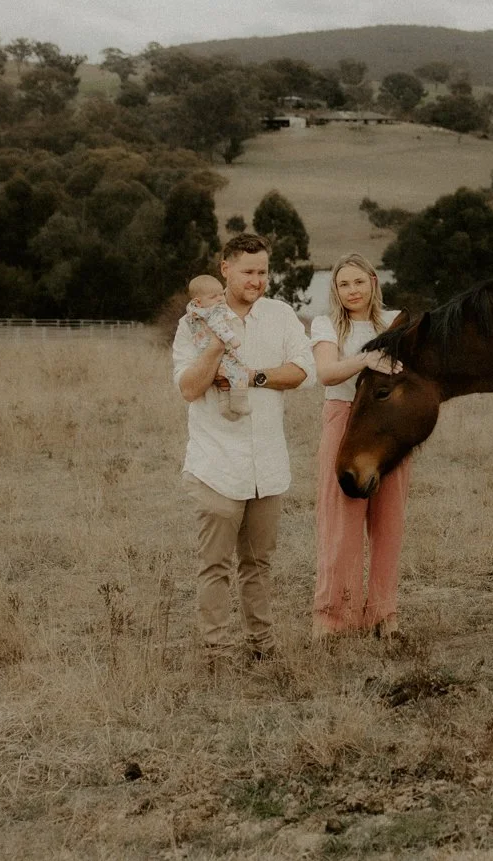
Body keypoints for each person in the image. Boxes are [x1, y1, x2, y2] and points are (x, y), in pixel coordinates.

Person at [171, 234, 315, 665]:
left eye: (263, 272)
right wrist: (217, 342)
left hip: (267, 465)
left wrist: (252, 376)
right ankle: (215, 649)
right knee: (214, 564)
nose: (257, 280)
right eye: (248, 272)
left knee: (258, 563)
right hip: (216, 463)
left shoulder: (281, 315)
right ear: (225, 268)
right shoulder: (192, 323)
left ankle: (262, 646)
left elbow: (305, 372)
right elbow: (189, 389)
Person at [308, 254, 407, 637]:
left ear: (373, 281)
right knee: (341, 521)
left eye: (358, 282)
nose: (352, 291)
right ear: (335, 289)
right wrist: (369, 359)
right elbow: (326, 372)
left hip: (388, 426)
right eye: (343, 284)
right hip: (344, 420)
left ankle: (384, 614)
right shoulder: (327, 324)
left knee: (389, 521)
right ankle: (332, 617)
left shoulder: (396, 321)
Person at [183, 273, 251, 419]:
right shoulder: (215, 311)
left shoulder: (192, 312)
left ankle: (224, 405)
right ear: (198, 301)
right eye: (214, 296)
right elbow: (218, 327)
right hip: (223, 351)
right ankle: (240, 402)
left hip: (204, 353)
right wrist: (232, 339)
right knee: (239, 370)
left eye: (221, 294)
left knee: (221, 381)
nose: (220, 299)